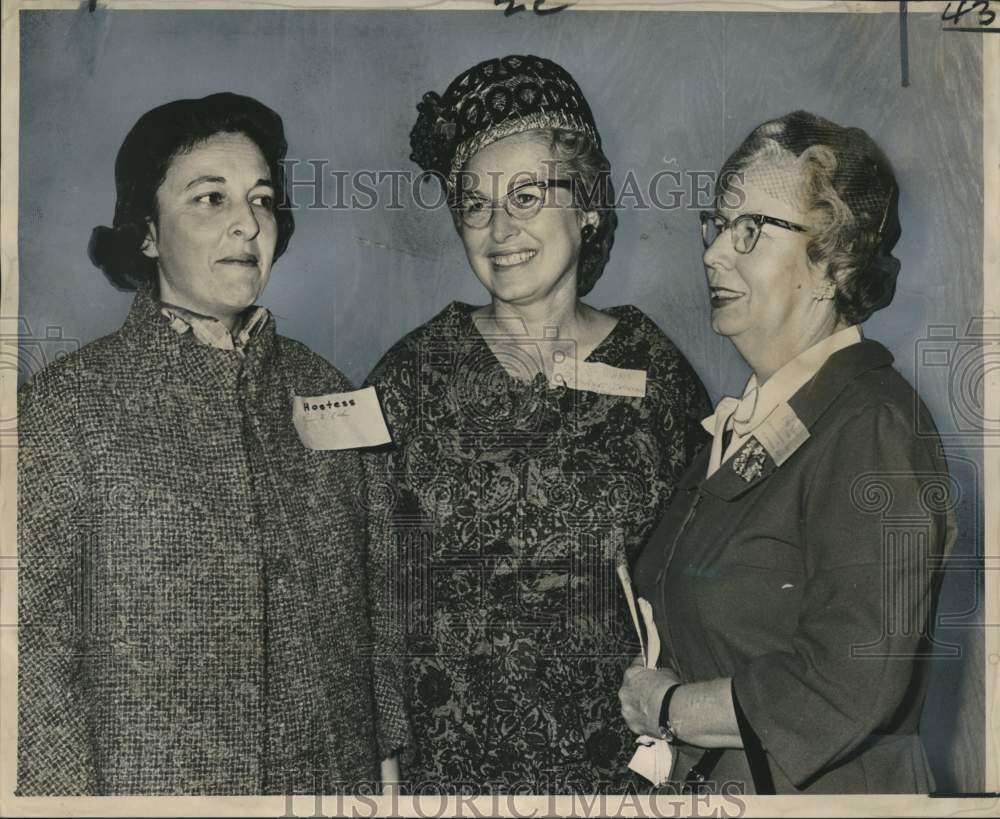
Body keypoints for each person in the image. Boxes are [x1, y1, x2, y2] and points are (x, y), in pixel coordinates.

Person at [17, 92, 390, 795]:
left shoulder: (327, 386)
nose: (247, 223)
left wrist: (389, 752)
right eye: (209, 198)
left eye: (261, 199)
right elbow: (29, 660)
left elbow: (381, 598)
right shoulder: (64, 409)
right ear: (149, 233)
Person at [365, 55, 711, 793]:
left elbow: (707, 583)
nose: (500, 229)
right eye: (475, 204)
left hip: (619, 776)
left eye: (527, 194)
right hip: (443, 777)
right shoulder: (409, 380)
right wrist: (382, 752)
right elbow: (366, 589)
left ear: (587, 203)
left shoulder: (657, 376)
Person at [620, 111, 955, 794]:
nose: (715, 253)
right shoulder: (758, 417)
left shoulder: (872, 424)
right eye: (718, 225)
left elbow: (849, 678)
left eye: (750, 230)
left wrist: (669, 707)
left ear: (834, 262)